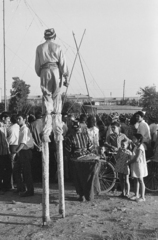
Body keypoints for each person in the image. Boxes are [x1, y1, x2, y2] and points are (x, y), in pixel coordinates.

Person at [35, 28, 69, 117]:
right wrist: (66, 77)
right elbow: (62, 63)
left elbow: (37, 65)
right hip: (56, 70)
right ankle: (57, 120)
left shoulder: (39, 48)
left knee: (46, 95)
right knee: (56, 95)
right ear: (54, 36)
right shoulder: (58, 47)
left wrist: (41, 74)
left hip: (44, 70)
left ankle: (47, 119)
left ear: (44, 37)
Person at [64, 120, 100, 201]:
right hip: (88, 159)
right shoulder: (85, 136)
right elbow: (90, 148)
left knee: (78, 179)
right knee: (88, 178)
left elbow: (68, 151)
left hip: (76, 161)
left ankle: (81, 195)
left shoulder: (70, 137)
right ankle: (89, 194)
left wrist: (69, 157)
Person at [14, 113, 34, 197]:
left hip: (25, 151)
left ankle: (30, 190)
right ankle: (21, 187)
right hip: (22, 151)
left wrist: (16, 152)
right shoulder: (21, 129)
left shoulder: (25, 129)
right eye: (17, 119)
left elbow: (23, 142)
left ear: (24, 119)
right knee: (17, 170)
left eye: (19, 119)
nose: (18, 120)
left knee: (26, 172)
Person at [127, 133, 148, 202]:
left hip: (140, 166)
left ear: (138, 139)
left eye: (134, 138)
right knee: (136, 179)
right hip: (136, 165)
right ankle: (136, 194)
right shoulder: (136, 146)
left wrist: (128, 162)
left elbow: (136, 158)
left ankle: (143, 197)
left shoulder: (140, 148)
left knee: (141, 180)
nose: (133, 139)